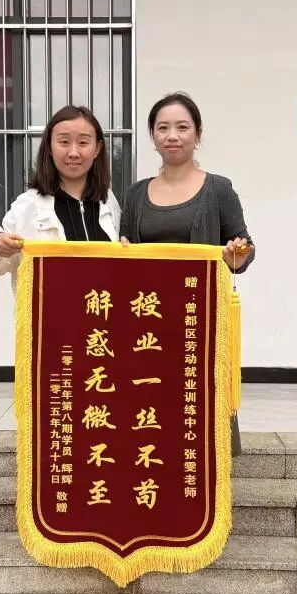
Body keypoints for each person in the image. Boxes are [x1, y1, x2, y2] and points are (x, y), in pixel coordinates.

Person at [119, 92, 254, 453]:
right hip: (148, 321)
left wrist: (236, 255)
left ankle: (206, 474)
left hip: (199, 320)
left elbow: (245, 247)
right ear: (152, 136)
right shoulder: (135, 194)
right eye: (163, 128)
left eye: (182, 127)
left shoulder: (218, 189)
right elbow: (123, 252)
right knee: (150, 407)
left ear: (197, 134)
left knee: (199, 406)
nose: (172, 136)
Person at [0, 105, 120, 286]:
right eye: (64, 142)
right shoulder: (29, 205)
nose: (73, 153)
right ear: (50, 147)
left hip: (101, 302)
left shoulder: (108, 201)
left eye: (83, 143)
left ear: (97, 148)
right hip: (50, 305)